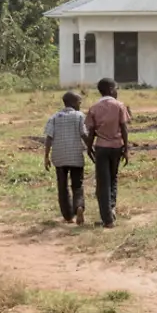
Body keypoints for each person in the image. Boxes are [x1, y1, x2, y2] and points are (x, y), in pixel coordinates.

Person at [85, 78, 131, 228]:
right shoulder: (119, 106)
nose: (117, 91)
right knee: (113, 178)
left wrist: (89, 147)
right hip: (116, 147)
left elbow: (91, 131)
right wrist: (126, 148)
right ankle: (111, 209)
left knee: (102, 182)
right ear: (111, 89)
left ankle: (107, 218)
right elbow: (124, 128)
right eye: (116, 88)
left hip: (101, 147)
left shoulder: (94, 108)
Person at [43, 91, 89, 226]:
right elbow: (84, 134)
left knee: (62, 187)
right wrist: (91, 149)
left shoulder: (55, 117)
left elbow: (49, 138)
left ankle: (68, 216)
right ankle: (79, 207)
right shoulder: (79, 116)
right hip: (75, 157)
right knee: (78, 185)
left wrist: (46, 156)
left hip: (59, 157)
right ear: (73, 103)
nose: (80, 105)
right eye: (79, 102)